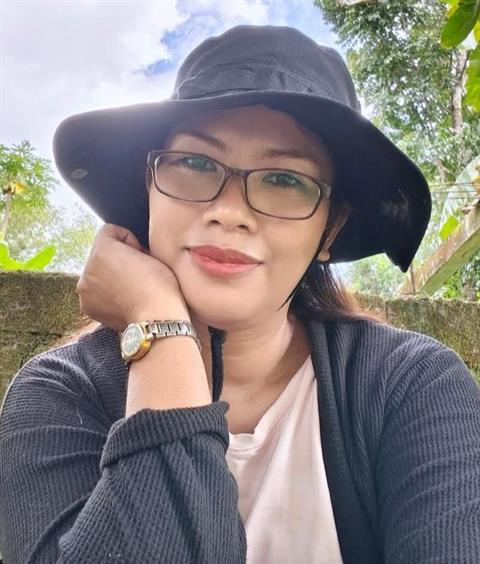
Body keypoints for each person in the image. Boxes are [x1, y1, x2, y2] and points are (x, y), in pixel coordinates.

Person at [0, 24, 479, 564]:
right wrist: (160, 325)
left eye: (286, 179)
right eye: (195, 163)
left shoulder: (412, 387)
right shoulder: (60, 394)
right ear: (149, 188)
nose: (229, 212)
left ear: (330, 229)